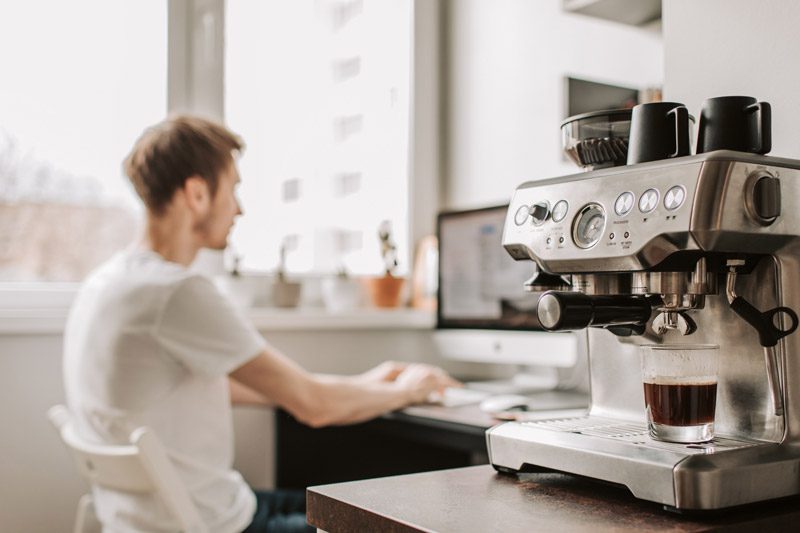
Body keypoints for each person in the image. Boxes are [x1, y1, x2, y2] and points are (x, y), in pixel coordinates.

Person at [62, 115, 458, 533]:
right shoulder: (175, 292)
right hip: (213, 525)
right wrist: (408, 391)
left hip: (144, 520)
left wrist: (369, 384)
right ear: (197, 193)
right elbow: (313, 405)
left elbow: (237, 387)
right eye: (232, 189)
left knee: (340, 499)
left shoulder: (108, 283)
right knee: (392, 520)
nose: (239, 208)